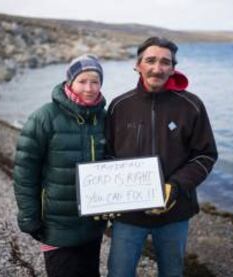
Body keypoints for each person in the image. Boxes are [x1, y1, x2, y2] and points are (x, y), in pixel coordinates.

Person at [105, 37, 218, 277]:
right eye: (151, 60)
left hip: (175, 213)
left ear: (173, 68)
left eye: (165, 62)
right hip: (128, 215)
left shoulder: (191, 105)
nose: (157, 68)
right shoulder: (119, 106)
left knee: (172, 272)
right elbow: (108, 156)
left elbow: (206, 155)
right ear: (138, 65)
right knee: (119, 272)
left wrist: (175, 186)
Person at [13, 54, 107, 277]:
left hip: (92, 226)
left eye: (95, 81)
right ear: (70, 82)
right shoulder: (44, 117)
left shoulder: (104, 118)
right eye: (82, 81)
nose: (89, 88)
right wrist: (30, 217)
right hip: (56, 226)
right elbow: (24, 173)